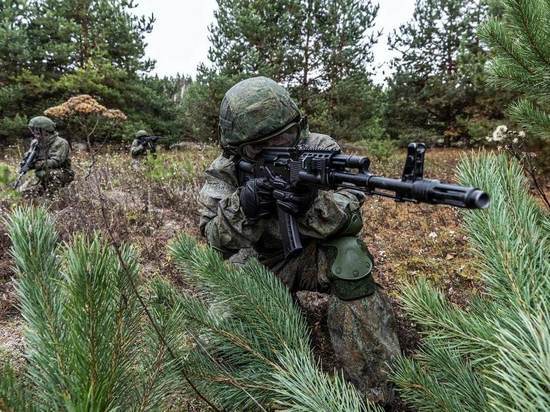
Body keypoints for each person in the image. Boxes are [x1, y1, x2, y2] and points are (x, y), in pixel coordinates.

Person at [199, 76, 400, 403]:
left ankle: (377, 394)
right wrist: (244, 207)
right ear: (238, 148)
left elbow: (351, 208)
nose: (278, 149)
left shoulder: (320, 151)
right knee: (222, 326)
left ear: (298, 126)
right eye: (261, 146)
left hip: (309, 255)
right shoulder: (226, 170)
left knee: (351, 258)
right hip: (255, 265)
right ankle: (255, 394)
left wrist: (311, 205)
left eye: (286, 136)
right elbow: (212, 238)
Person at [17, 116, 74, 195]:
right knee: (24, 192)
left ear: (45, 131)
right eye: (33, 130)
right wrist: (26, 164)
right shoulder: (35, 143)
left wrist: (38, 164)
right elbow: (30, 156)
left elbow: (56, 161)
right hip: (42, 173)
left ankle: (53, 195)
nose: (34, 133)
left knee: (43, 173)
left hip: (63, 172)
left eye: (37, 130)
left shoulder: (61, 143)